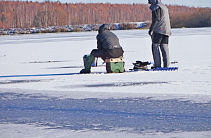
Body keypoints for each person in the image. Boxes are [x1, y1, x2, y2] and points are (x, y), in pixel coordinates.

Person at [148, 0, 171, 68]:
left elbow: (157, 19)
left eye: (150, 3)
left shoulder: (156, 7)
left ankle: (157, 65)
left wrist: (151, 29)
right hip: (167, 30)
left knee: (155, 46)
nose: (149, 5)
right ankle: (166, 65)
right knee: (164, 47)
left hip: (159, 30)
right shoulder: (164, 7)